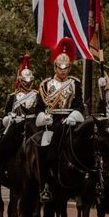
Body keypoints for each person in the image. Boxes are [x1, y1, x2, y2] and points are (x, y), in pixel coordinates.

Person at [36, 39, 87, 202]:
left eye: (66, 68)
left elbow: (79, 104)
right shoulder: (46, 85)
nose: (63, 71)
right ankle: (45, 184)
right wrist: (44, 117)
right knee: (42, 148)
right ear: (55, 67)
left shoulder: (75, 84)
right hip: (51, 121)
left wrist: (73, 116)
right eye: (60, 68)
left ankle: (87, 178)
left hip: (71, 119)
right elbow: (38, 107)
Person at [0, 54, 37, 191]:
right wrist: (9, 117)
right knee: (3, 145)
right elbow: (6, 113)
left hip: (33, 125)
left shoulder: (38, 95)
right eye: (25, 81)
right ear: (20, 80)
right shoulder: (13, 97)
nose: (27, 84)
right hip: (17, 125)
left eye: (29, 81)